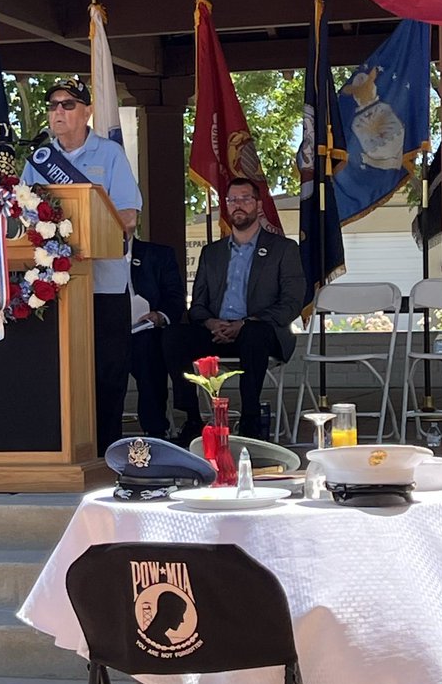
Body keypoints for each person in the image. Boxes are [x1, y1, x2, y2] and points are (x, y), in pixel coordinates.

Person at [21, 77, 142, 456]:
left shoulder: (109, 155)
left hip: (103, 285)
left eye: (68, 104)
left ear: (87, 111)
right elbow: (21, 217)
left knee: (106, 371)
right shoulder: (38, 159)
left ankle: (106, 448)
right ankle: (60, 446)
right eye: (53, 104)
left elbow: (128, 216)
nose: (59, 111)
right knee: (58, 370)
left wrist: (78, 234)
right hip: (54, 284)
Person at [164, 176, 306, 445]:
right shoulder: (212, 253)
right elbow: (198, 306)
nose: (237, 205)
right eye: (232, 200)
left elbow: (291, 303)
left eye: (244, 199)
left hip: (260, 334)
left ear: (258, 205)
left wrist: (246, 323)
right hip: (216, 332)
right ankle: (193, 419)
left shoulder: (283, 249)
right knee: (173, 336)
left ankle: (250, 420)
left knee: (255, 334)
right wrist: (210, 323)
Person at [128, 236, 186, 439]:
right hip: (103, 332)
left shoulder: (158, 254)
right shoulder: (93, 255)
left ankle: (155, 432)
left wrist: (160, 316)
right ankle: (100, 434)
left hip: (145, 328)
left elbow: (175, 298)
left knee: (149, 349)